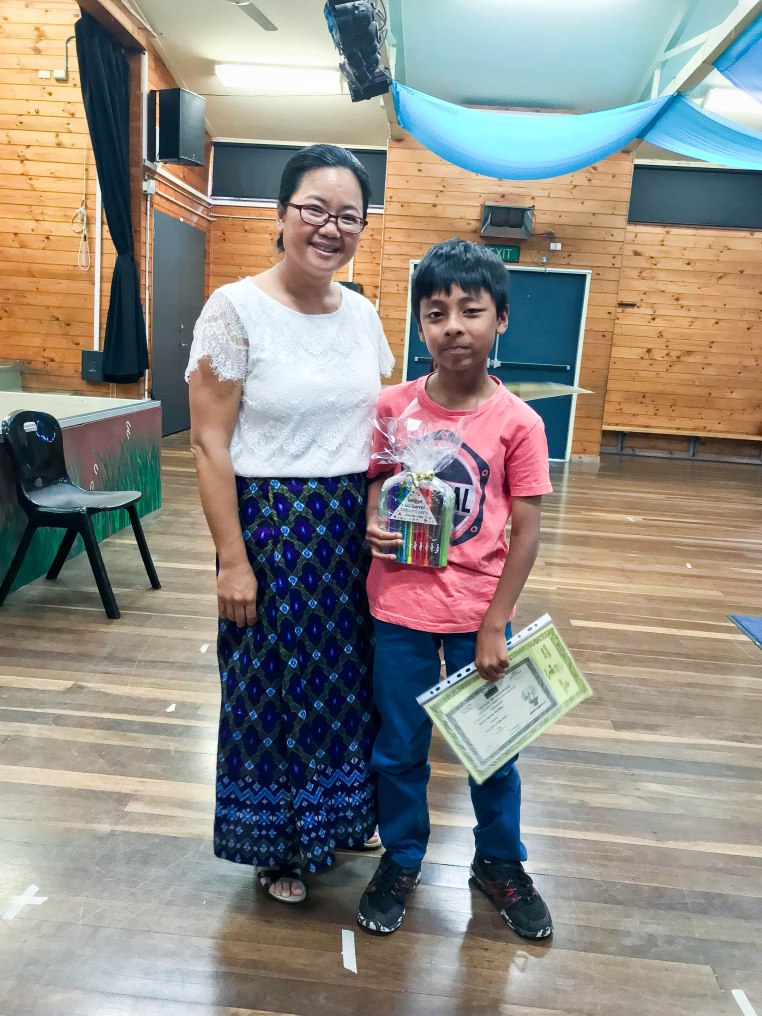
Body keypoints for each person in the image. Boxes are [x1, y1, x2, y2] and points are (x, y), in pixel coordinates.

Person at [186, 144, 394, 904]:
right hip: (271, 529)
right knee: (270, 688)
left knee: (347, 683)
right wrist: (231, 560)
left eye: (349, 216)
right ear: (281, 214)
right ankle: (276, 845)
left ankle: (339, 819)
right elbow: (208, 444)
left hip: (349, 533)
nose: (330, 227)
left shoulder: (363, 314)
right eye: (314, 209)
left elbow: (379, 429)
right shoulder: (234, 309)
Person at [357, 238, 554, 939]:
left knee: (493, 749)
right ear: (420, 326)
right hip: (398, 611)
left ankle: (499, 861)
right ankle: (402, 858)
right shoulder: (392, 408)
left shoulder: (519, 423)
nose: (454, 327)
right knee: (398, 746)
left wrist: (496, 622)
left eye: (472, 311)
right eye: (436, 313)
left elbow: (526, 531)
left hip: (478, 617)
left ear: (501, 319)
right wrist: (373, 520)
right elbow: (374, 486)